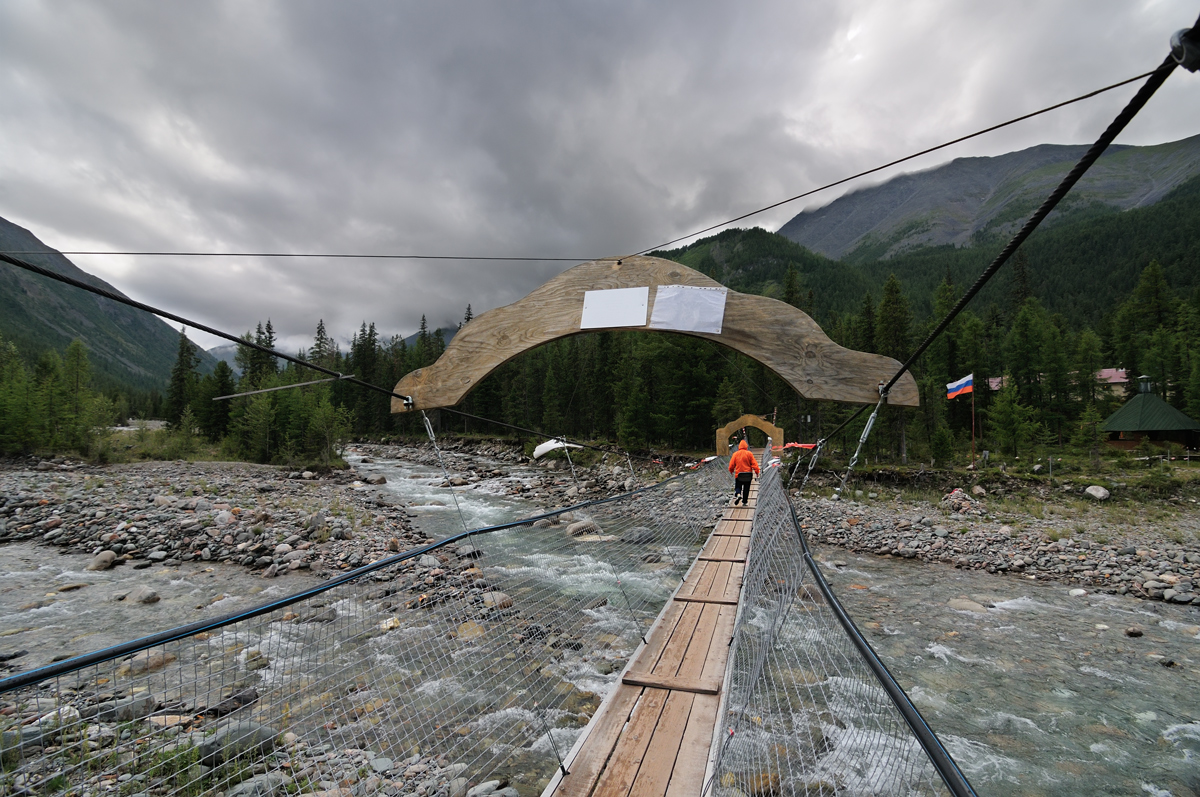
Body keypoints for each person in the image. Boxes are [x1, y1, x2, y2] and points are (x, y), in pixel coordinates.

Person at [727, 439, 760, 505]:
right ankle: (744, 502)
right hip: (748, 474)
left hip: (739, 475)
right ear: (746, 446)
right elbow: (754, 464)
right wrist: (757, 472)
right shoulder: (749, 454)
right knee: (746, 488)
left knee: (738, 486)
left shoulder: (735, 454)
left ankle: (738, 494)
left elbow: (731, 465)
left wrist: (731, 470)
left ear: (739, 446)